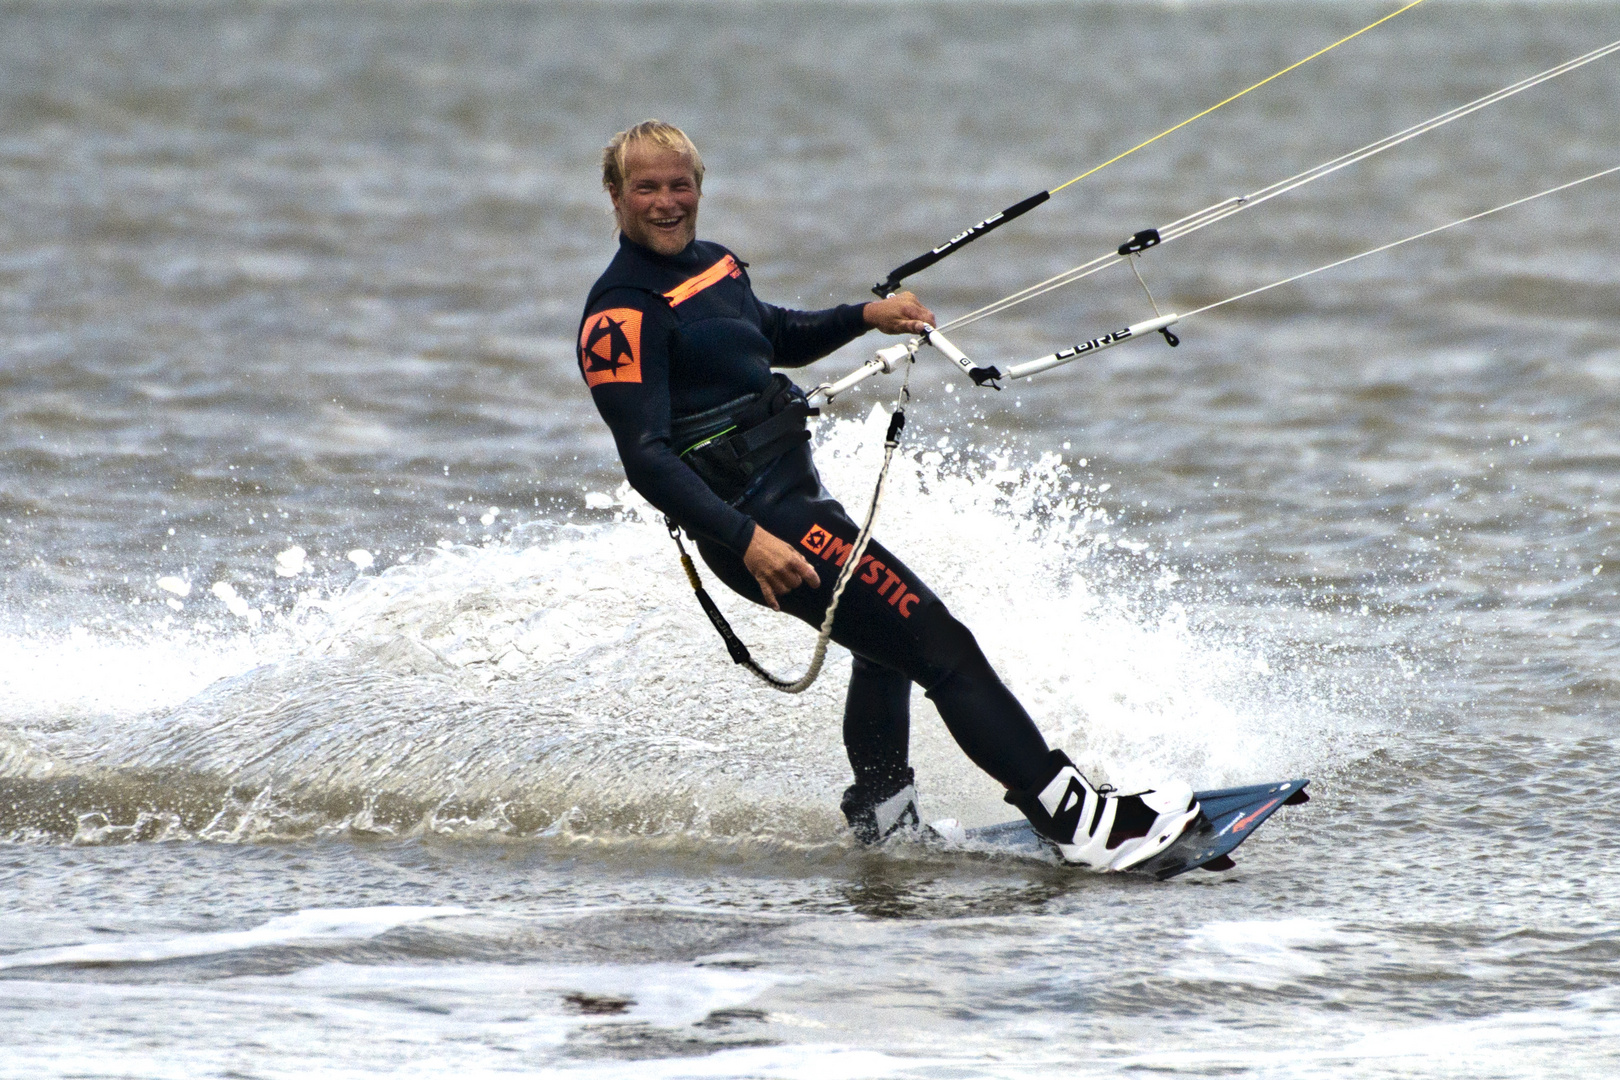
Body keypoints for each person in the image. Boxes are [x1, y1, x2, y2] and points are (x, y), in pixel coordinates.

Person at [577, 120, 1199, 870]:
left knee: (886, 652)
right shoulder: (620, 312)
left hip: (797, 501)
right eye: (647, 187)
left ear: (700, 189)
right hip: (763, 528)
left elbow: (770, 333)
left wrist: (863, 317)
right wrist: (746, 540)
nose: (668, 202)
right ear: (615, 197)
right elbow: (644, 459)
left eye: (681, 184)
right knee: (943, 648)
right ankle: (1082, 824)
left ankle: (884, 817)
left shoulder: (716, 268)